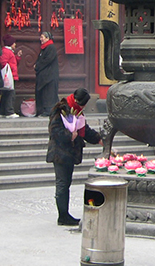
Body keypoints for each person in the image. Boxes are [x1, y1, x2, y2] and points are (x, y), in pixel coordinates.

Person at [46, 88, 102, 226]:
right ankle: (63, 216)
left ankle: (65, 214)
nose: (83, 108)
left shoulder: (77, 112)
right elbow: (54, 130)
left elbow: (85, 130)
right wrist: (69, 135)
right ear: (78, 101)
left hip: (69, 153)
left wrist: (99, 139)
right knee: (62, 184)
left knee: (66, 183)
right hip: (60, 153)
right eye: (83, 105)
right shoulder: (60, 109)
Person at [35, 32, 59, 118]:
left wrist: (37, 66)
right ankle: (42, 110)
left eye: (42, 37)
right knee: (44, 93)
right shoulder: (44, 48)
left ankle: (49, 110)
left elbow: (47, 60)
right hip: (45, 76)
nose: (41, 39)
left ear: (47, 38)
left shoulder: (51, 48)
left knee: (49, 94)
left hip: (50, 77)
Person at [0, 34, 22, 118]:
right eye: (14, 43)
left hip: (10, 76)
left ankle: (2, 112)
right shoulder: (6, 51)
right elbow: (3, 63)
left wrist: (17, 57)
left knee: (5, 94)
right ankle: (9, 112)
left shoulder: (7, 51)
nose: (15, 44)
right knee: (10, 94)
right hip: (10, 76)